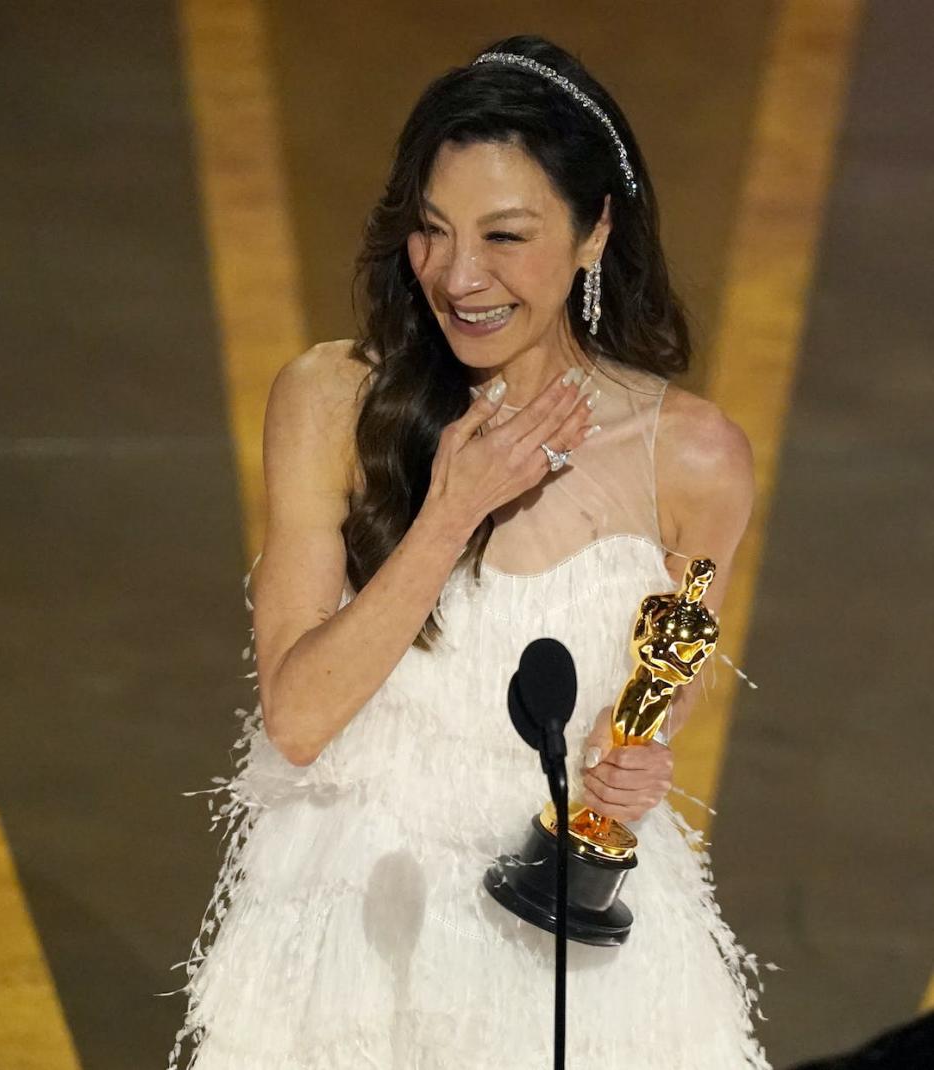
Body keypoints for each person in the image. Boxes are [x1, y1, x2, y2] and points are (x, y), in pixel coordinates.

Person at [167, 34, 769, 1069]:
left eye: (504, 236)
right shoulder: (330, 402)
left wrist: (633, 773)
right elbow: (299, 716)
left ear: (594, 233)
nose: (458, 275)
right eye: (433, 232)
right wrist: (450, 514)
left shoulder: (697, 461)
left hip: (573, 957)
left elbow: (649, 707)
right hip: (354, 925)